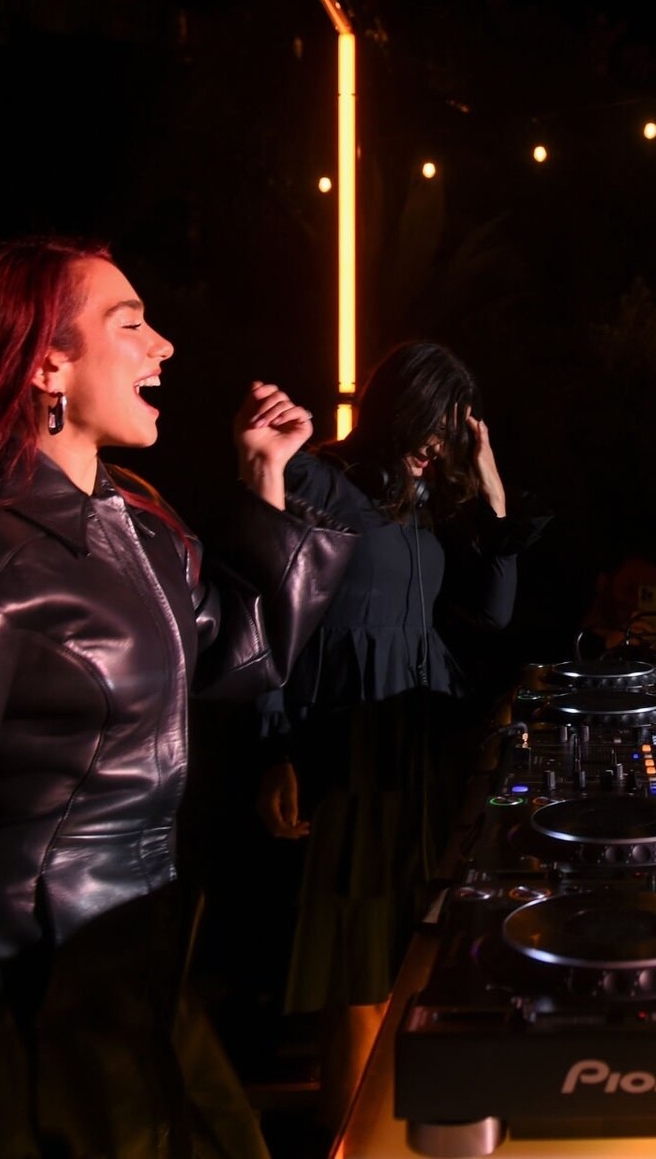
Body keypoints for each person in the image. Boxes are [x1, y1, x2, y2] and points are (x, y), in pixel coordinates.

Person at [0, 237, 356, 1158]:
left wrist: (266, 477)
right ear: (47, 364)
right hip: (42, 1021)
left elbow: (237, 655)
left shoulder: (137, 527)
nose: (163, 345)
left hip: (145, 993)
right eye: (130, 325)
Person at [253, 340, 546, 1126]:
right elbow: (270, 618)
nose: (441, 444)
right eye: (434, 423)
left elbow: (494, 613)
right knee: (357, 974)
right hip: (348, 745)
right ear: (399, 408)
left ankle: (375, 1129)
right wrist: (274, 747)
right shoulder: (320, 481)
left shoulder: (420, 506)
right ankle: (350, 1139)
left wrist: (493, 488)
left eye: (454, 429)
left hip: (417, 747)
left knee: (401, 968)